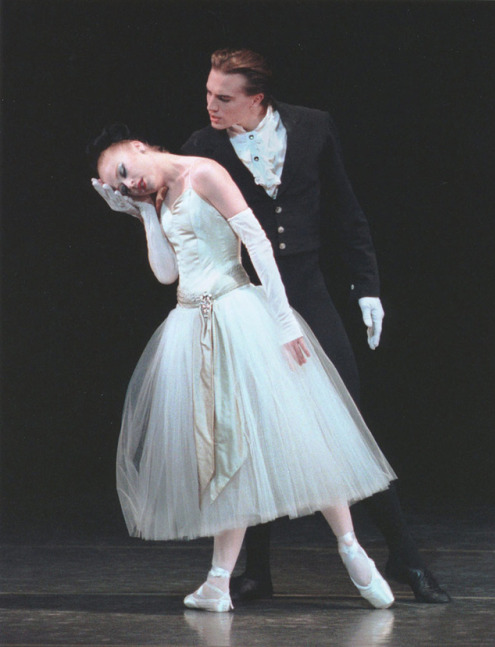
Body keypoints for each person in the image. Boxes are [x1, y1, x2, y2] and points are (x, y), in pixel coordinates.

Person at [180, 48, 450, 604]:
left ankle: (403, 554)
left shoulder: (312, 127)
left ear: (257, 98)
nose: (210, 104)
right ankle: (256, 570)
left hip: (308, 291)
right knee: (251, 430)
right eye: (208, 92)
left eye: (223, 97)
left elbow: (345, 210)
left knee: (344, 424)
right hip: (247, 297)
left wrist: (367, 285)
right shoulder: (203, 148)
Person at [89, 125, 398, 612]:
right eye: (118, 186)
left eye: (124, 172)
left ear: (139, 147)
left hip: (237, 313)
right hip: (193, 324)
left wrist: (282, 320)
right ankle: (217, 581)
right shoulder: (160, 197)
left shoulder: (204, 173)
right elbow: (167, 273)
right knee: (224, 450)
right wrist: (144, 214)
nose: (129, 185)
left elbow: (256, 241)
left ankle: (350, 547)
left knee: (298, 433)